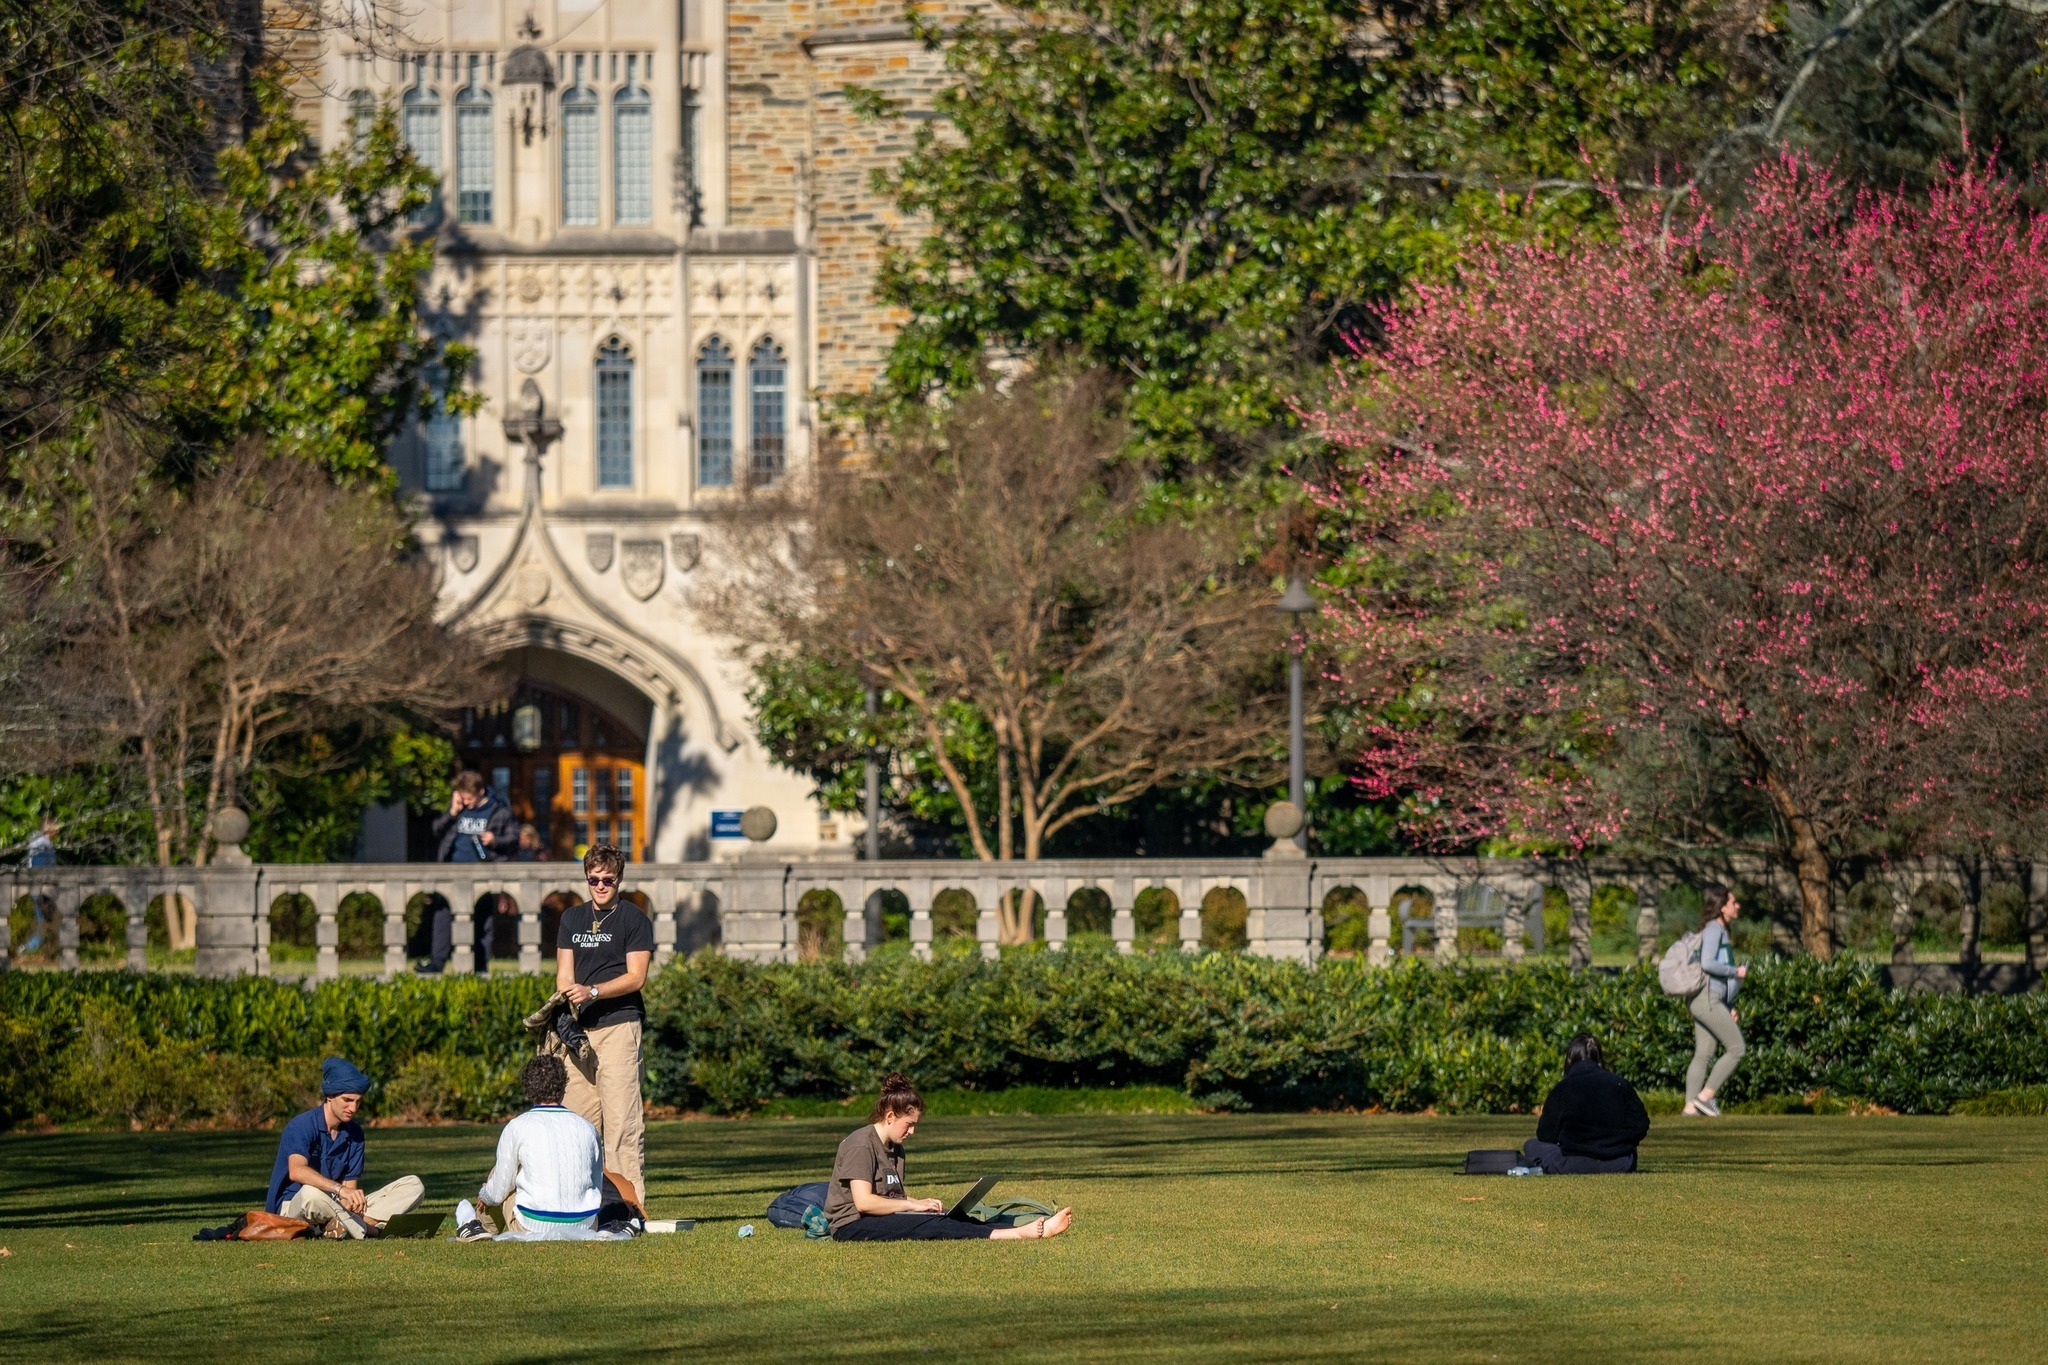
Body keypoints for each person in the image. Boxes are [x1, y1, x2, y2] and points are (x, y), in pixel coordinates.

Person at [826, 1073, 1073, 1242]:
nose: (912, 1132)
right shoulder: (861, 1144)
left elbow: (890, 1198)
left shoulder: (895, 1147)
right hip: (852, 1224)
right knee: (929, 1226)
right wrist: (913, 1205)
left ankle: (1024, 1228)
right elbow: (864, 1203)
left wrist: (921, 1202)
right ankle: (1015, 1235)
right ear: (890, 1116)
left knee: (943, 1217)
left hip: (878, 1216)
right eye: (909, 1124)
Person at [550, 842, 653, 1206]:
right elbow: (564, 976)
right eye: (593, 879)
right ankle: (580, 1207)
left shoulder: (634, 919)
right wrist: (567, 1002)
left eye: (607, 880)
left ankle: (630, 1209)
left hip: (619, 1026)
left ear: (619, 879)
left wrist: (593, 990)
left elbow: (636, 977)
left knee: (622, 1125)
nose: (600, 886)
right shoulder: (571, 919)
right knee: (578, 1126)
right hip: (578, 1033)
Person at [266, 1057, 424, 1238]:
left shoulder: (355, 1133)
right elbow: (297, 1171)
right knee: (310, 1193)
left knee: (414, 1185)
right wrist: (340, 1190)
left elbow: (350, 1188)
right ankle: (369, 1230)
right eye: (347, 1100)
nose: (353, 1107)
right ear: (329, 1096)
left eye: (358, 1101)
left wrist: (351, 1201)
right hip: (294, 1207)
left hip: (337, 1207)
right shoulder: (301, 1125)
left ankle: (344, 1226)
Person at [454, 1055, 607, 1242]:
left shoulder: (518, 1126)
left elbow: (499, 1189)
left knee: (499, 1175)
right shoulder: (587, 1127)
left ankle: (477, 1226)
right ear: (563, 1087)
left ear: (528, 1089)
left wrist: (485, 1194)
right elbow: (596, 1182)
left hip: (531, 1225)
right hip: (586, 1224)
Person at [418, 771, 517, 974]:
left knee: (482, 920)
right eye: (462, 798)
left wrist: (495, 840)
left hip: (483, 873)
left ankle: (480, 966)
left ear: (481, 792)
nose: (466, 803)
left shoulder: (499, 811)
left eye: (469, 799)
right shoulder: (459, 809)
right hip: (452, 871)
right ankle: (436, 963)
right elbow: (436, 830)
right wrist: (453, 811)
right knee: (442, 916)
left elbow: (514, 839)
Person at [1519, 1033, 1649, 1174]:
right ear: (1599, 1059)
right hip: (1620, 1163)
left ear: (1569, 1060)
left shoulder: (1562, 1088)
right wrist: (1620, 1143)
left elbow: (1545, 1136)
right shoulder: (1620, 1084)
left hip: (1574, 1163)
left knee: (1531, 1145)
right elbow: (1640, 1124)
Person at [1685, 881, 1748, 1117]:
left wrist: (1728, 1005)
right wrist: (1736, 971)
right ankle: (1704, 1097)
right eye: (1734, 902)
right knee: (1737, 1048)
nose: (1737, 906)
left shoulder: (1716, 930)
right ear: (1722, 906)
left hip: (1708, 999)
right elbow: (1708, 964)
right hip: (1707, 998)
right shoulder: (1714, 929)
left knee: (1703, 1054)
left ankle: (1690, 1110)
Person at [20, 816, 56, 955]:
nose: (58, 827)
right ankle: (28, 948)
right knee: (43, 921)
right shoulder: (42, 845)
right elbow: (38, 869)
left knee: (48, 920)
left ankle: (43, 948)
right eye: (54, 824)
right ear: (47, 826)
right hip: (41, 888)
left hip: (44, 888)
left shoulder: (44, 843)